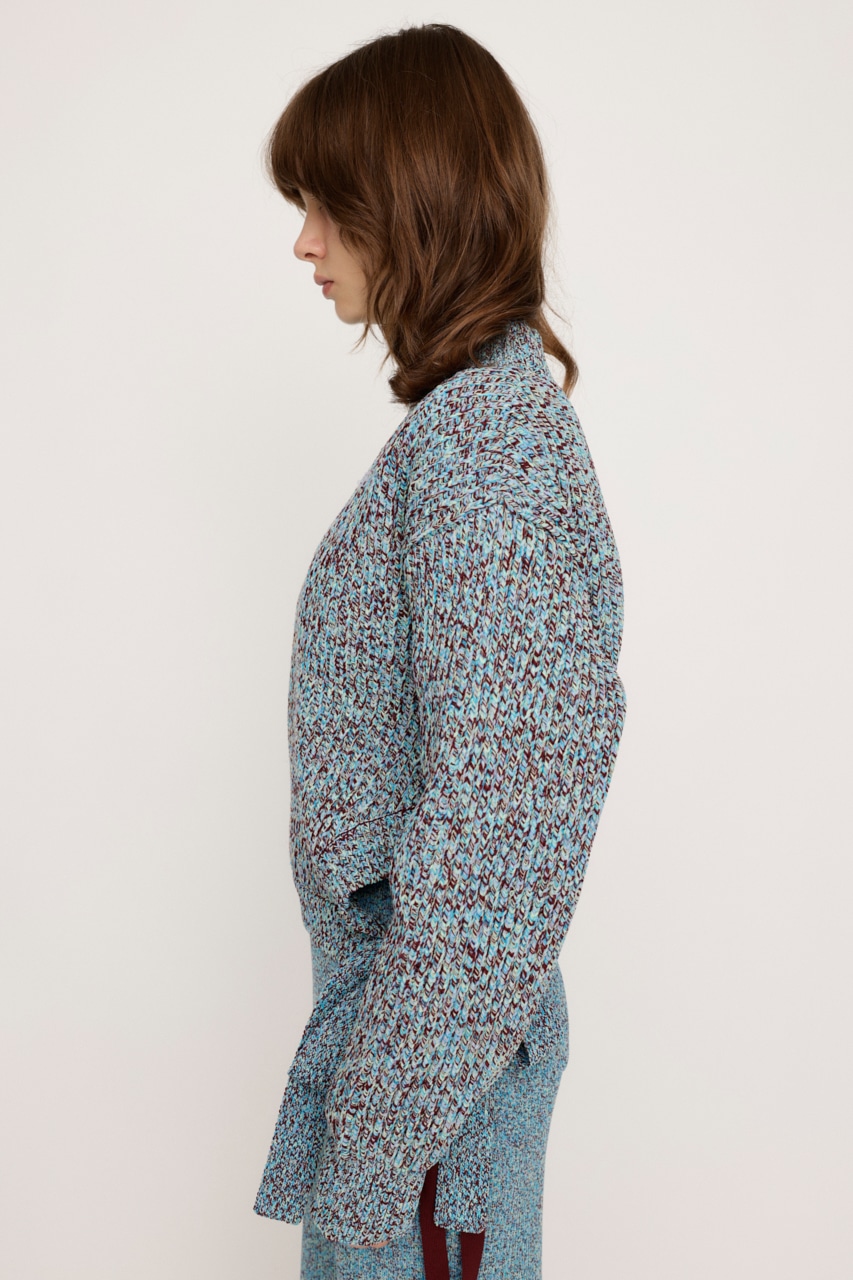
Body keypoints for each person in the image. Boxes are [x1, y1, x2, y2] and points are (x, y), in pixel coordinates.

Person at [253, 23, 627, 1280]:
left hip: (424, 1127)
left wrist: (370, 1150)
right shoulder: (475, 432)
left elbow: (498, 838)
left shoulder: (485, 450)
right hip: (417, 1100)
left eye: (326, 205)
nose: (305, 242)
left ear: (409, 204)